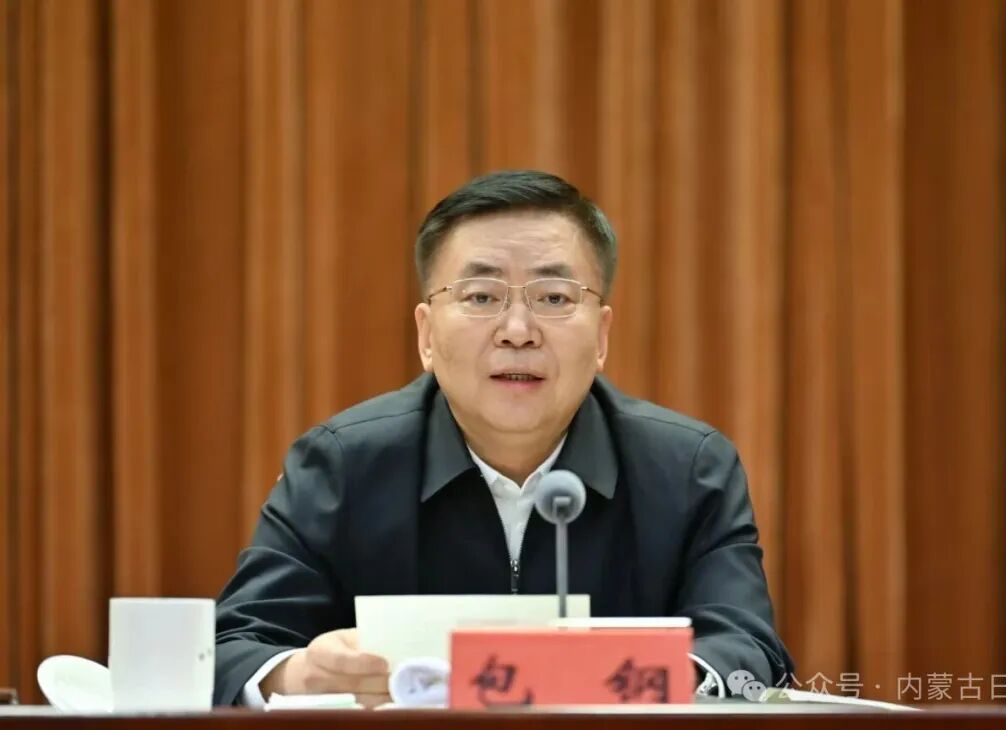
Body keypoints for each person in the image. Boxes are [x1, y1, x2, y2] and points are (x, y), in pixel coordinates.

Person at [213, 170, 794, 706]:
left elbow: (747, 650)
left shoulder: (689, 471)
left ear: (601, 336)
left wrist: (646, 676)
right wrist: (299, 675)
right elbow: (231, 648)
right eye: (481, 297)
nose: (518, 331)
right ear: (426, 335)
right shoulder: (342, 465)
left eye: (555, 298)